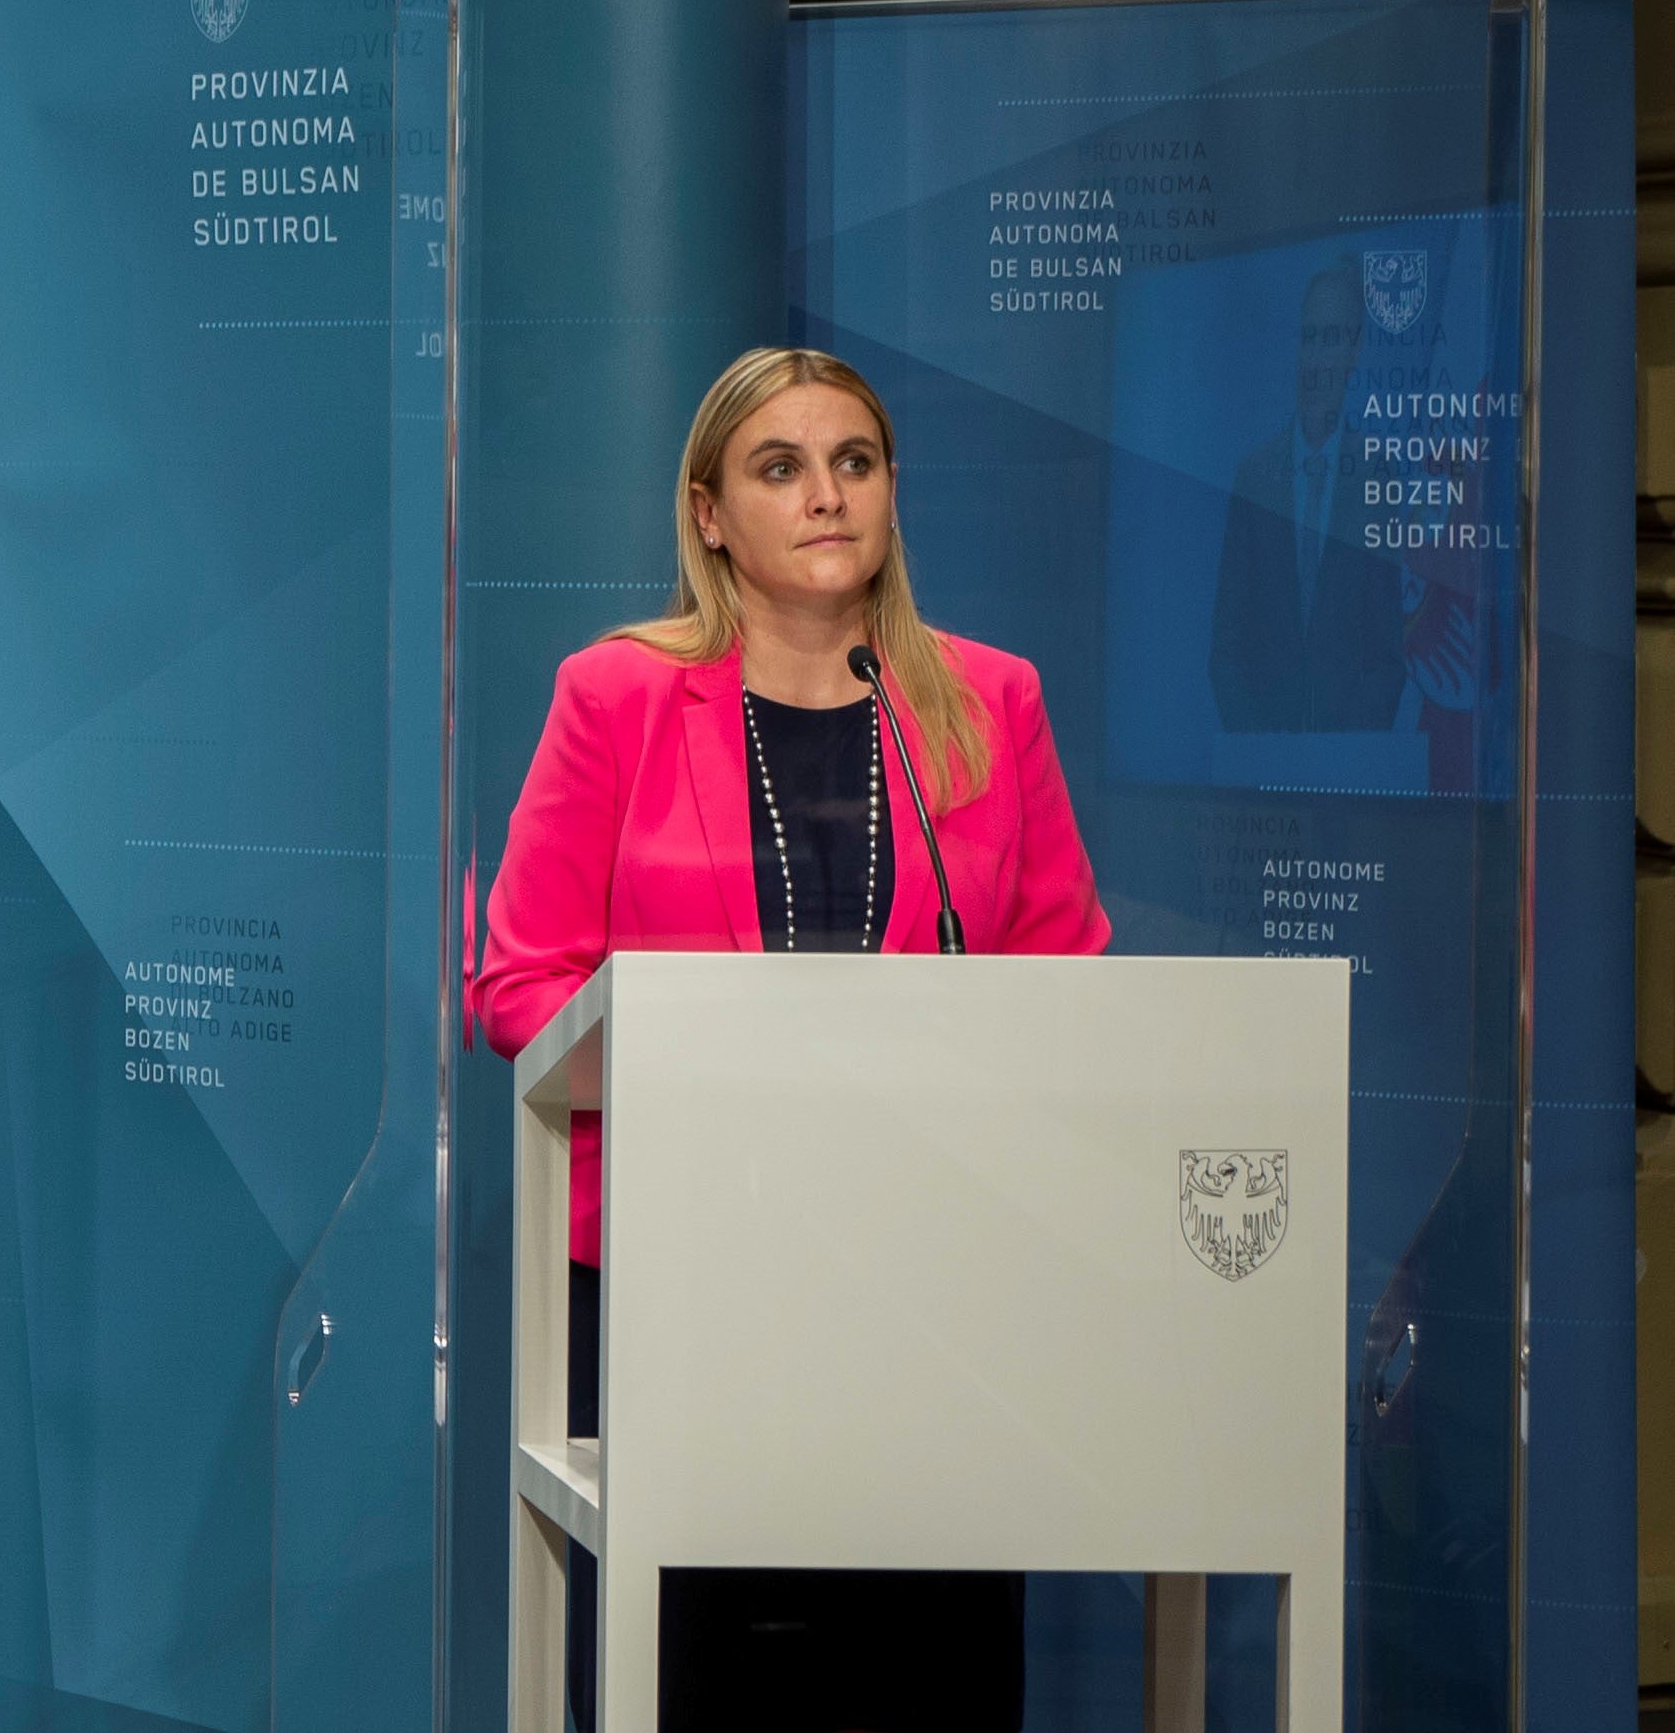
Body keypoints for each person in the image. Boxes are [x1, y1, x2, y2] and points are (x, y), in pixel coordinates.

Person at [467, 346, 1108, 1733]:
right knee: (712, 1674)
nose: (826, 495)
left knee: (929, 1673)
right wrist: (726, 1079)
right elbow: (519, 983)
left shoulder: (988, 701)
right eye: (780, 468)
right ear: (708, 513)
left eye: (852, 463)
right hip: (683, 1271)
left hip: (938, 1283)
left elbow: (1064, 977)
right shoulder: (615, 698)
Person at [1206, 259, 1410, 733]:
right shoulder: (1254, 476)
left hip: (1348, 759)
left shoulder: (1377, 475)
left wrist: (1343, 755)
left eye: (1332, 338)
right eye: (1310, 337)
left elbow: (1386, 656)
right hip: (1263, 755)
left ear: (1354, 351)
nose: (1317, 358)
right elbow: (1226, 648)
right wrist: (1262, 750)